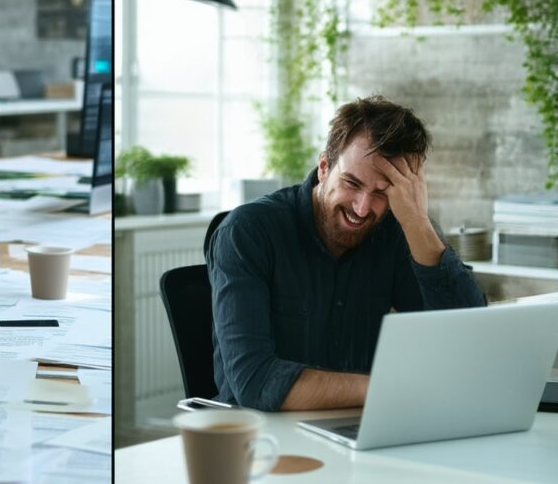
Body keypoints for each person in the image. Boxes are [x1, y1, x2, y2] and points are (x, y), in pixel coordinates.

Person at [207, 95, 487, 412]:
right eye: (351, 183)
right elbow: (255, 382)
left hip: (362, 429)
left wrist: (417, 222)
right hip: (261, 439)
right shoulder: (248, 231)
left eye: (382, 192)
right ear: (324, 166)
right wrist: (389, 387)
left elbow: (468, 342)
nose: (362, 207)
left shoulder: (398, 229)